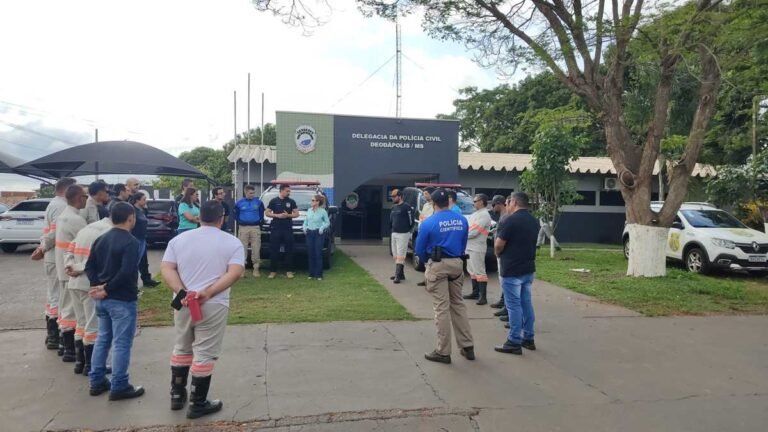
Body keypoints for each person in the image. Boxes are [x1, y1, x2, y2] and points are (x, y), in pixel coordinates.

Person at [161, 200, 244, 419]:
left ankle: (177, 395)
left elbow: (167, 268)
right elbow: (235, 272)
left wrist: (182, 292)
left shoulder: (179, 240)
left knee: (182, 347)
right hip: (213, 304)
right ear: (222, 217)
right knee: (205, 350)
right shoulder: (232, 242)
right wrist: (209, 292)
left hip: (184, 303)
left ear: (199, 217)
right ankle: (198, 402)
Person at [85, 202, 144, 400]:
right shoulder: (131, 242)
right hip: (121, 299)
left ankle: (96, 380)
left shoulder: (101, 239)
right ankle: (119, 384)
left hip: (102, 298)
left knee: (103, 339)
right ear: (130, 218)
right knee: (121, 343)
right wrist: (106, 288)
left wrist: (98, 286)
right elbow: (127, 272)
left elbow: (89, 266)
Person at [414, 188, 474, 364]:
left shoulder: (428, 222)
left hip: (438, 264)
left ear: (433, 203)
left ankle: (443, 351)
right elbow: (463, 244)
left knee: (441, 308)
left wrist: (427, 263)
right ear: (449, 202)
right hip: (457, 263)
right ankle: (467, 345)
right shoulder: (462, 220)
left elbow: (419, 250)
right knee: (458, 304)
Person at [31, 177, 77, 352]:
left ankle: (52, 335)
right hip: (56, 256)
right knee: (59, 296)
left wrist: (43, 247)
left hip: (52, 255)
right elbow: (56, 233)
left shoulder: (54, 203)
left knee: (53, 295)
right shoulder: (60, 206)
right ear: (67, 190)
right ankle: (57, 336)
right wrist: (42, 248)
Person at [65, 215, 114, 376]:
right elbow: (98, 260)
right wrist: (78, 268)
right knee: (93, 327)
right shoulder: (108, 232)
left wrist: (70, 267)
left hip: (74, 283)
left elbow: (69, 249)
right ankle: (91, 366)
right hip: (90, 284)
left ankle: (80, 362)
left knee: (81, 324)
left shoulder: (86, 229)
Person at [494, 192, 540, 355]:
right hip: (528, 268)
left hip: (512, 268)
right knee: (526, 303)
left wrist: (498, 254)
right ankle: (528, 337)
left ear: (514, 202)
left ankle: (514, 340)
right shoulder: (534, 221)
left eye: (509, 202)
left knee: (513, 305)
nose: (507, 205)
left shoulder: (510, 220)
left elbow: (499, 245)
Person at [55, 185, 89, 363]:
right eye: (85, 196)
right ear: (78, 198)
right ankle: (70, 350)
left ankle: (65, 345)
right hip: (72, 271)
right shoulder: (76, 220)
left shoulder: (64, 215)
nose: (86, 199)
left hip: (64, 268)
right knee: (71, 311)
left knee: (65, 307)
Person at [463, 194, 492, 305]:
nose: (473, 203)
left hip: (477, 247)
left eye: (475, 201)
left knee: (479, 271)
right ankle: (475, 293)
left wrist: (463, 235)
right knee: (471, 270)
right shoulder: (475, 214)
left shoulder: (484, 215)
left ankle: (483, 297)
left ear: (481, 201)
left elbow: (474, 232)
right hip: (469, 246)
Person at [265, 184, 299, 279]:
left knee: (289, 249)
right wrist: (277, 215)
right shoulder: (274, 201)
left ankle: (289, 271)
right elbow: (267, 212)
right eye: (287, 191)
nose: (289, 192)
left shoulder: (291, 201)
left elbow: (296, 214)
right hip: (276, 228)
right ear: (281, 190)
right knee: (274, 250)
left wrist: (288, 215)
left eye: (289, 191)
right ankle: (273, 271)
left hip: (287, 229)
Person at [233, 185, 265, 277]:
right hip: (243, 228)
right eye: (250, 193)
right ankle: (242, 269)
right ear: (245, 192)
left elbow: (261, 213)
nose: (252, 195)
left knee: (256, 247)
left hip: (255, 227)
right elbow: (235, 214)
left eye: (253, 193)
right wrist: (240, 221)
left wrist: (259, 221)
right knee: (242, 248)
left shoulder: (258, 202)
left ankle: (256, 268)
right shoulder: (239, 202)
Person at [130, 192, 159, 287]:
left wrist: (146, 208)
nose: (145, 201)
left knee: (143, 261)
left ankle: (147, 280)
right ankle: (132, 283)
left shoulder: (142, 210)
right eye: (143, 199)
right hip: (135, 237)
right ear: (137, 200)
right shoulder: (132, 210)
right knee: (134, 262)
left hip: (142, 238)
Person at [303, 194, 330, 280]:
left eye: (313, 200)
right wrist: (304, 227)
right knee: (310, 253)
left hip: (318, 233)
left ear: (318, 202)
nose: (311, 202)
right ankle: (311, 273)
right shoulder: (309, 210)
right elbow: (305, 221)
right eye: (311, 200)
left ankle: (319, 274)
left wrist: (322, 228)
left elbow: (327, 222)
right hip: (309, 233)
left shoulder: (323, 211)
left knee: (318, 253)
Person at [489, 195, 508, 311]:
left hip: (503, 252)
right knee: (502, 278)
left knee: (504, 278)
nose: (492, 208)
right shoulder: (502, 216)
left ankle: (506, 305)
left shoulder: (506, 216)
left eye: (493, 205)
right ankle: (503, 301)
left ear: (499, 204)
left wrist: (497, 251)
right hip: (500, 251)